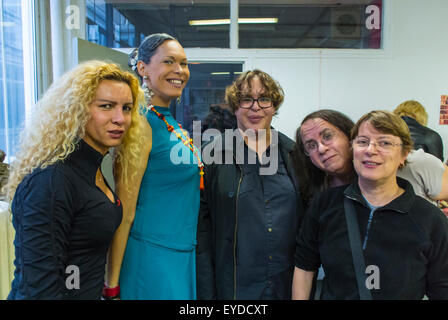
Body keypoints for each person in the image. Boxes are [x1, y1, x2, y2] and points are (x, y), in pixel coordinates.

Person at [5, 61, 142, 299]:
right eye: (106, 106)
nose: (120, 118)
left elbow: (76, 266)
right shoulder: (52, 180)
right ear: (77, 110)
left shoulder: (91, 168)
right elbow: (40, 288)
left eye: (127, 108)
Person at [292, 110, 448, 299]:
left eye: (385, 143)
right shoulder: (324, 203)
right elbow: (305, 265)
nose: (371, 150)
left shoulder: (430, 220)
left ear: (404, 154)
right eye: (363, 142)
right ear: (354, 147)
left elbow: (441, 287)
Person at [104, 33, 201, 300]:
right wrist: (111, 285)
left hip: (181, 254)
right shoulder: (140, 123)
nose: (179, 71)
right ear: (143, 68)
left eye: (184, 63)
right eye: (169, 61)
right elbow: (125, 210)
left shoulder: (169, 122)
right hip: (152, 257)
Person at [197, 69, 305, 300]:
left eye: (264, 98)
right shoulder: (213, 155)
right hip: (235, 289)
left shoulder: (295, 154)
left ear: (274, 106)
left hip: (286, 286)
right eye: (246, 99)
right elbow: (202, 234)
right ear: (235, 106)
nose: (255, 107)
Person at [293, 109, 448, 209]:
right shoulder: (321, 195)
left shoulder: (414, 163)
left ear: (350, 136)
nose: (321, 148)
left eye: (327, 136)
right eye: (311, 145)